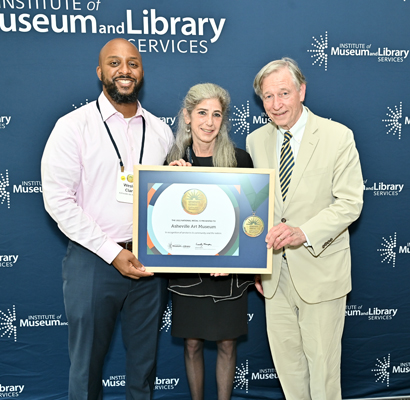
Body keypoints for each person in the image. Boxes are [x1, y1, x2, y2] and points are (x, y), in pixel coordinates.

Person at [41, 38, 174, 400]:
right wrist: (110, 251)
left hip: (149, 264)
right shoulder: (74, 126)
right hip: (93, 260)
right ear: (101, 72)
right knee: (86, 370)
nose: (124, 70)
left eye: (132, 63)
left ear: (141, 71)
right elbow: (57, 200)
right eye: (114, 63)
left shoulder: (161, 131)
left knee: (143, 369)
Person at [246, 58, 364, 400]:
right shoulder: (256, 141)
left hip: (321, 271)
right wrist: (255, 259)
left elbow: (349, 203)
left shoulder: (337, 136)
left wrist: (303, 232)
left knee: (324, 371)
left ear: (302, 90)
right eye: (268, 96)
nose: (276, 104)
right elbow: (256, 205)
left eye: (284, 93)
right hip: (274, 277)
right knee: (289, 368)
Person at [166, 83, 254, 400]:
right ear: (187, 117)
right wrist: (168, 185)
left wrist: (231, 261)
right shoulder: (171, 164)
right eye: (202, 113)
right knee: (191, 343)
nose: (209, 122)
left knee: (228, 343)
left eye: (216, 114)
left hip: (228, 275)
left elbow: (251, 223)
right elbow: (162, 226)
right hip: (188, 274)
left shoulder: (241, 161)